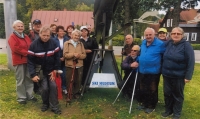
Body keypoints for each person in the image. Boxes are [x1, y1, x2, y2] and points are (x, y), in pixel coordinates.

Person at [161, 27, 195, 119]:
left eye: (178, 34)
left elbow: (191, 61)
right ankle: (168, 110)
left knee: (177, 95)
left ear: (182, 35)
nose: (175, 35)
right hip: (167, 74)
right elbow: (158, 44)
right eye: (173, 33)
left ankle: (176, 113)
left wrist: (188, 76)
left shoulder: (186, 46)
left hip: (179, 76)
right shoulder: (168, 43)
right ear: (171, 35)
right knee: (167, 93)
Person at [27, 26, 61, 114]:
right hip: (41, 71)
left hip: (51, 70)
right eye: (44, 35)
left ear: (50, 35)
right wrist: (33, 74)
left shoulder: (54, 43)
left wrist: (56, 70)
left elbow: (57, 57)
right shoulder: (33, 45)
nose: (46, 37)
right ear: (40, 34)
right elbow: (30, 61)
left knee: (53, 87)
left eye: (48, 35)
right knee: (44, 88)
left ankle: (54, 106)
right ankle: (45, 104)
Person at [137, 27, 165, 114]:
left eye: (150, 35)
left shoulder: (160, 44)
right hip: (142, 70)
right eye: (146, 35)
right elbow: (142, 54)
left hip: (154, 71)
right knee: (143, 88)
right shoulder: (143, 42)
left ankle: (151, 106)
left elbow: (165, 57)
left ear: (154, 35)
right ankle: (145, 103)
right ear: (144, 35)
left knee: (152, 89)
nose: (148, 36)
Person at [8, 20, 37, 104]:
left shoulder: (26, 36)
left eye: (21, 26)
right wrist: (27, 53)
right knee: (20, 79)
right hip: (19, 61)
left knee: (29, 78)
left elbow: (30, 45)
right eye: (18, 26)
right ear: (14, 28)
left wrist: (32, 52)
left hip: (28, 60)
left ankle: (29, 95)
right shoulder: (12, 37)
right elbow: (15, 48)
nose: (20, 28)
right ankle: (21, 98)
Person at [63, 29, 86, 101]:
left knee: (78, 80)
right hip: (70, 65)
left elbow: (84, 55)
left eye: (78, 35)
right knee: (69, 79)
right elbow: (65, 55)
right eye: (75, 35)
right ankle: (69, 94)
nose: (77, 37)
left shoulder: (81, 44)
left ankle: (76, 93)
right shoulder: (67, 43)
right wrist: (73, 54)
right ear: (72, 35)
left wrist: (79, 56)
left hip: (79, 65)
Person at [28, 19, 42, 94]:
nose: (38, 25)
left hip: (41, 55)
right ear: (33, 25)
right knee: (35, 72)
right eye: (36, 24)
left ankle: (39, 86)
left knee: (40, 71)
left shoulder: (42, 33)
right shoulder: (31, 34)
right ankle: (36, 88)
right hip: (34, 54)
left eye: (39, 24)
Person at [54, 25, 69, 94]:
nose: (62, 32)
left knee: (64, 74)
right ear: (57, 32)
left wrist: (64, 57)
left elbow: (69, 49)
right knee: (58, 74)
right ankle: (57, 88)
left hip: (65, 59)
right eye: (60, 31)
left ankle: (64, 88)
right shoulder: (54, 40)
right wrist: (58, 58)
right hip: (57, 60)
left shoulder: (67, 39)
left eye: (63, 31)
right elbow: (53, 50)